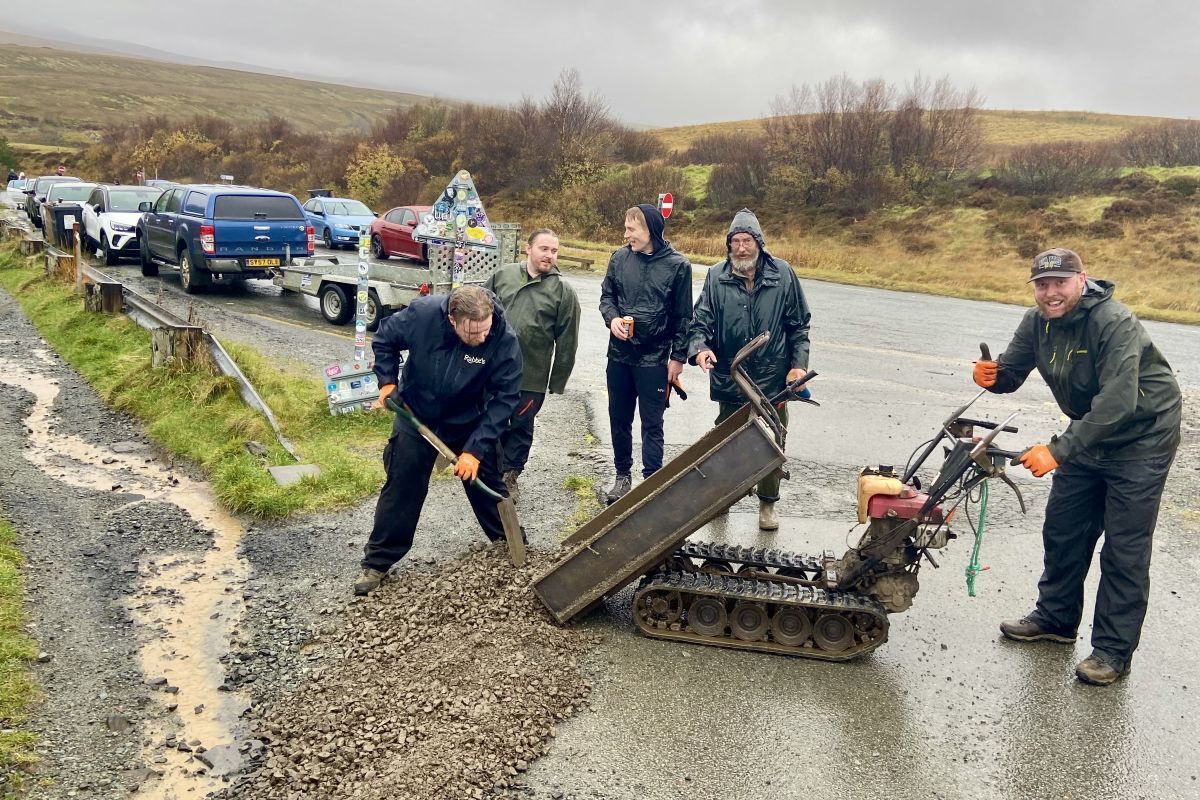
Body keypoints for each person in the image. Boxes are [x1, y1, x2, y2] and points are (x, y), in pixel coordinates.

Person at [975, 248, 1181, 686]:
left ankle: (1112, 652)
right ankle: (1056, 620)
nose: (1051, 292)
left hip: (1142, 439)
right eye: (1042, 284)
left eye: (1060, 282)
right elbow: (1011, 372)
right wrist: (993, 377)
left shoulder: (1113, 321)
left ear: (1081, 280)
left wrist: (1058, 450)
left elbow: (1118, 401)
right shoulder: (1037, 322)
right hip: (1089, 433)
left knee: (1124, 549)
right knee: (1064, 530)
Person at [355, 285, 523, 596]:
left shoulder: (502, 338)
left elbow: (506, 398)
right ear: (451, 320)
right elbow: (385, 338)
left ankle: (512, 547)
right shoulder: (422, 315)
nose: (481, 339)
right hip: (416, 414)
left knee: (488, 487)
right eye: (473, 333)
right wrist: (387, 381)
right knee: (402, 485)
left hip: (470, 421)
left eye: (485, 330)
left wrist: (474, 450)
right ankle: (377, 562)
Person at [689, 208, 812, 530]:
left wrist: (798, 367)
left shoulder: (783, 274)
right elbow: (700, 322)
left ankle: (767, 504)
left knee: (771, 441)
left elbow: (799, 326)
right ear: (729, 244)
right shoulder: (717, 276)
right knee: (725, 442)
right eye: (736, 242)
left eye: (747, 241)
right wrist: (700, 348)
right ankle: (721, 499)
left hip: (773, 380)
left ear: (759, 242)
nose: (741, 248)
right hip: (731, 377)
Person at [598, 204, 693, 502]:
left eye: (631, 229)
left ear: (650, 230)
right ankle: (622, 476)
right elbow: (607, 297)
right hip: (619, 356)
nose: (626, 235)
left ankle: (652, 482)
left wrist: (678, 358)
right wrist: (612, 318)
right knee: (619, 418)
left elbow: (683, 316)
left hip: (654, 359)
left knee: (652, 424)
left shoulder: (678, 265)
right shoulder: (619, 258)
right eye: (626, 228)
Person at [484, 228, 581, 503]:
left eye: (554, 251)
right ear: (528, 249)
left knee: (521, 425)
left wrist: (557, 381)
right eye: (544, 249)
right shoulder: (503, 276)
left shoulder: (563, 291)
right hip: (493, 370)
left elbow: (568, 340)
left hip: (532, 376)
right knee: (491, 420)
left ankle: (510, 477)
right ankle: (490, 474)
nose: (549, 255)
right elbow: (478, 309)